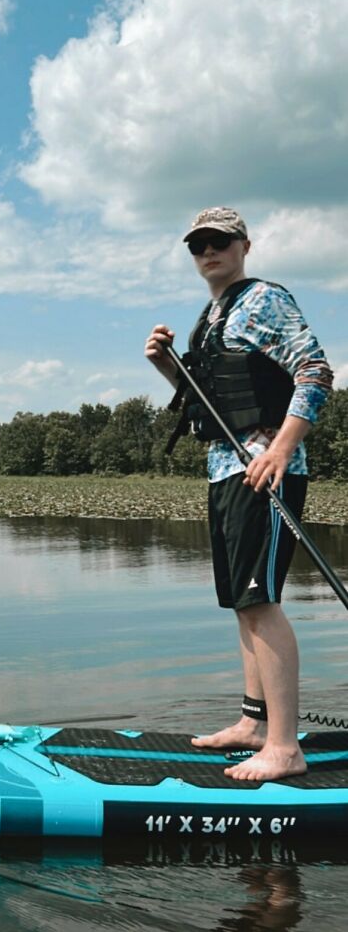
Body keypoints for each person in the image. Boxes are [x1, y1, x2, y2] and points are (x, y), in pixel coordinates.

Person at [145, 207, 333, 782]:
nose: (208, 252)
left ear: (243, 245)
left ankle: (285, 747)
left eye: (219, 241)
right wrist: (167, 367)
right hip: (224, 470)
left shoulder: (265, 299)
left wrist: (279, 450)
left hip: (265, 471)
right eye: (198, 245)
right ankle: (254, 722)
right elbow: (209, 398)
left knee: (260, 600)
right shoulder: (212, 314)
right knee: (241, 603)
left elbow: (316, 372)